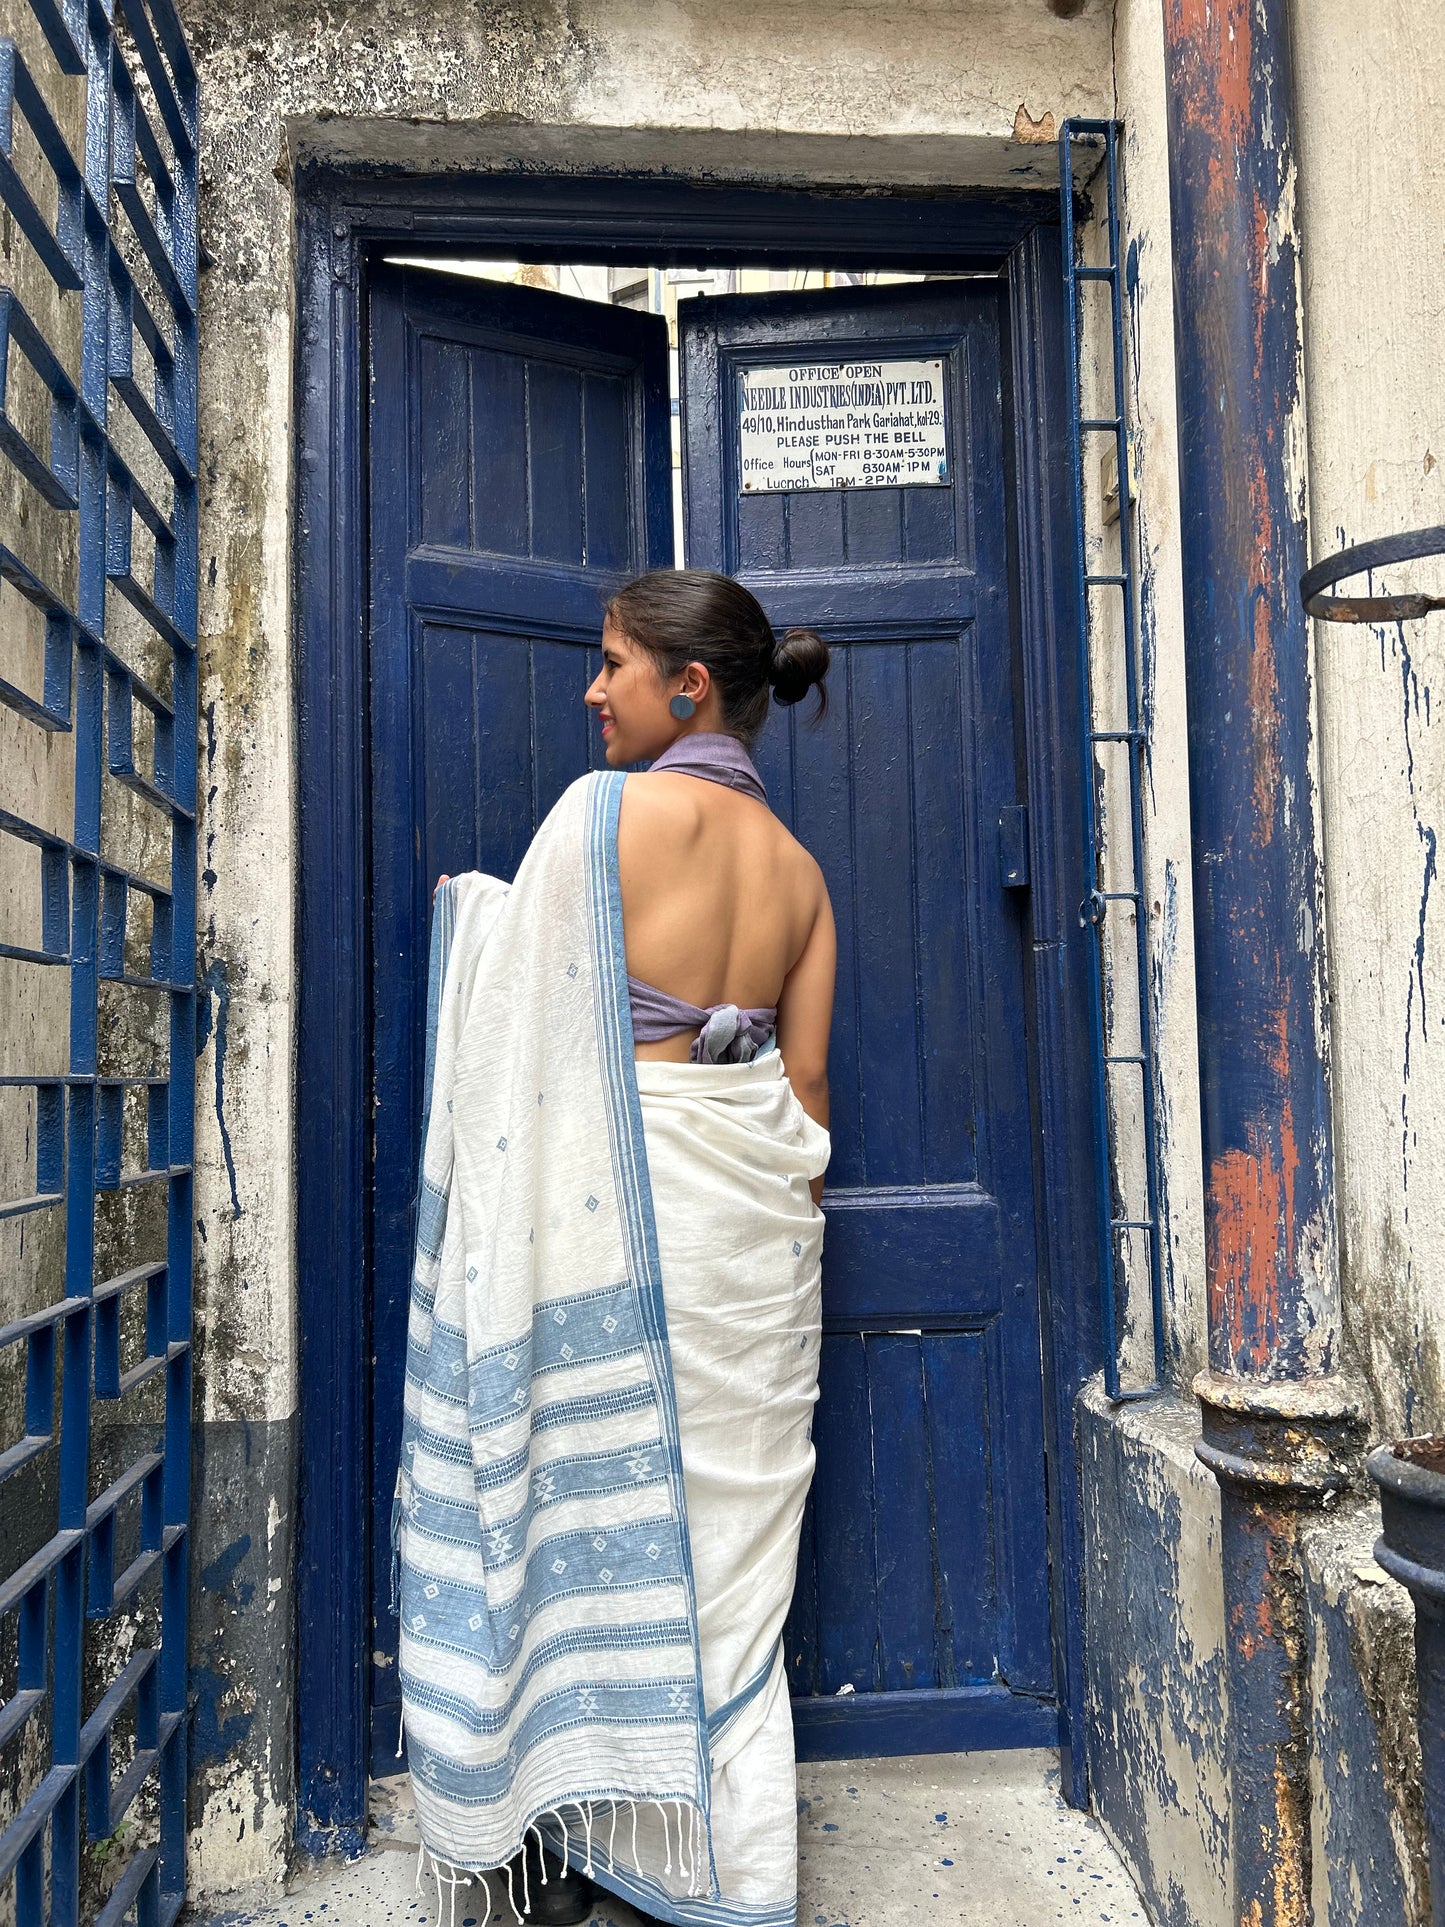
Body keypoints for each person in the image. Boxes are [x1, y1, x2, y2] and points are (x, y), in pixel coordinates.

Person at [395, 570, 836, 1927]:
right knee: (727, 1569)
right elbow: (804, 1109)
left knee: (581, 1525)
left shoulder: (599, 821)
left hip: (609, 1213)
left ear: (686, 685)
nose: (592, 691)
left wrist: (472, 920)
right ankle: (714, 1866)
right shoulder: (802, 879)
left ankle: (576, 1845)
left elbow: (506, 1040)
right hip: (749, 1249)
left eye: (611, 666)